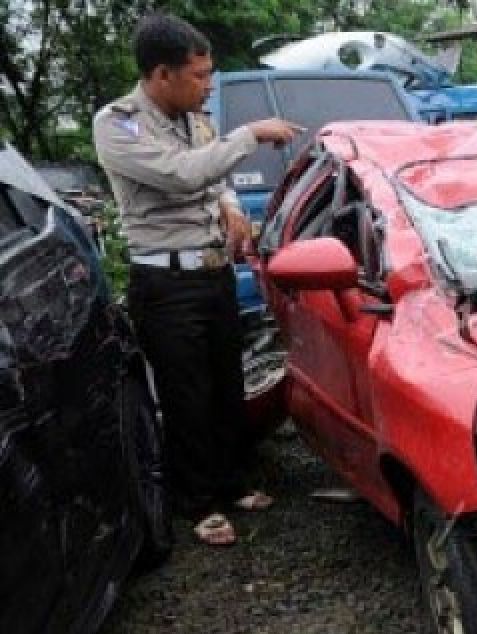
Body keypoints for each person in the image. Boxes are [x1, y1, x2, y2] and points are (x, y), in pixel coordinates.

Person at [94, 13, 300, 545]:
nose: (208, 84)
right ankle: (197, 503)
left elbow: (215, 179)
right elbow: (180, 174)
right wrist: (250, 134)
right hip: (166, 284)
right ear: (162, 74)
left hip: (213, 275)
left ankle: (231, 484)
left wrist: (232, 206)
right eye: (199, 74)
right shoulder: (118, 124)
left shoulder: (194, 118)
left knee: (226, 387)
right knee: (186, 397)